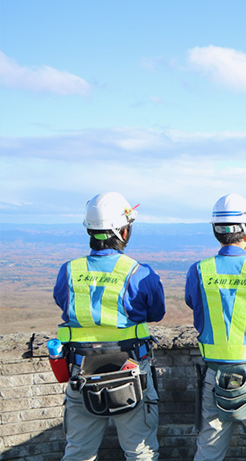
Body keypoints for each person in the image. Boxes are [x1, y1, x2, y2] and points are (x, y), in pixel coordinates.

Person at [53, 192, 165, 460]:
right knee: (140, 452)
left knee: (79, 452)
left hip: (81, 372)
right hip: (131, 370)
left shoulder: (69, 270)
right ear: (123, 232)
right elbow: (157, 312)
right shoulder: (138, 272)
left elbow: (62, 301)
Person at [185, 194, 246, 461]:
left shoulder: (198, 271)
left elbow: (193, 304)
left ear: (215, 230)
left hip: (213, 377)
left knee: (208, 451)